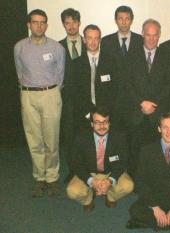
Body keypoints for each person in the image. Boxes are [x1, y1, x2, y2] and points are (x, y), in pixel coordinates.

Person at [14, 9, 65, 197]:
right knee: (34, 139)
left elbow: (61, 74)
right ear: (29, 24)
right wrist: (28, 89)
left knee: (51, 139)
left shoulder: (56, 48)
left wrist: (50, 91)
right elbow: (19, 71)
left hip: (50, 94)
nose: (39, 25)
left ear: (47, 25)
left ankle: (52, 177)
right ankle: (39, 177)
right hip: (28, 95)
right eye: (35, 22)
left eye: (43, 22)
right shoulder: (19, 47)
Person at [126, 19, 170, 177]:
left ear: (159, 35)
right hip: (136, 112)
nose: (152, 39)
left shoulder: (167, 56)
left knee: (156, 152)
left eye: (155, 35)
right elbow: (127, 84)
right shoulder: (131, 55)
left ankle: (155, 180)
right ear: (142, 34)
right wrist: (141, 102)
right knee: (135, 150)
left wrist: (153, 104)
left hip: (158, 113)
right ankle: (134, 180)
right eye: (148, 35)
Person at [66, 105, 134, 212]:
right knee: (72, 191)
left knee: (128, 186)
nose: (102, 126)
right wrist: (91, 180)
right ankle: (88, 199)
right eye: (97, 122)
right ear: (92, 124)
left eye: (105, 122)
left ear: (109, 123)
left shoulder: (119, 137)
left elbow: (123, 162)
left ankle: (110, 196)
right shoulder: (81, 137)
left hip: (110, 172)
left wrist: (110, 181)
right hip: (89, 172)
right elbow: (75, 163)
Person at [101, 5, 143, 132]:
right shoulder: (106, 41)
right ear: (115, 20)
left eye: (127, 18)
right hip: (114, 99)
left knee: (134, 135)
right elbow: (103, 70)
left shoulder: (140, 40)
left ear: (131, 20)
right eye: (120, 18)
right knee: (116, 135)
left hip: (136, 99)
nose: (124, 22)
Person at [70, 24, 117, 131]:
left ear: (100, 40)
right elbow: (74, 92)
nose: (93, 42)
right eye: (89, 38)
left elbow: (115, 89)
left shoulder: (111, 62)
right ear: (84, 40)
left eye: (96, 38)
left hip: (106, 116)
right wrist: (87, 113)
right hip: (84, 115)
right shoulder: (76, 64)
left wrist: (105, 113)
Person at [59, 8, 86, 183]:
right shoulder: (57, 47)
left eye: (74, 22)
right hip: (67, 101)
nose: (71, 26)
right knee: (69, 138)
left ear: (79, 23)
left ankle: (88, 169)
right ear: (63, 25)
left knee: (86, 136)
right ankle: (73, 170)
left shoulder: (90, 43)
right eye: (67, 23)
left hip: (88, 100)